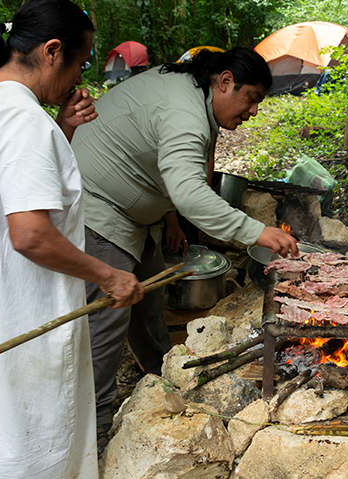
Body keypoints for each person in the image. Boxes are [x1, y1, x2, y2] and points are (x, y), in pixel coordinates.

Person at [71, 46, 298, 450]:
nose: (254, 111)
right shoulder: (186, 113)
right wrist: (257, 232)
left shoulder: (193, 95)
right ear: (225, 81)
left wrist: (168, 217)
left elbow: (168, 163)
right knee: (106, 323)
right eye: (252, 98)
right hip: (98, 207)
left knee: (149, 298)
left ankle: (162, 376)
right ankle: (93, 431)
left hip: (131, 210)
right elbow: (191, 192)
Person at [0, 0, 143, 477]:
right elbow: (30, 233)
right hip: (23, 311)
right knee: (31, 446)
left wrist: (64, 127)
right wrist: (109, 275)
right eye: (82, 61)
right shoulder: (21, 118)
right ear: (52, 51)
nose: (81, 76)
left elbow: (21, 192)